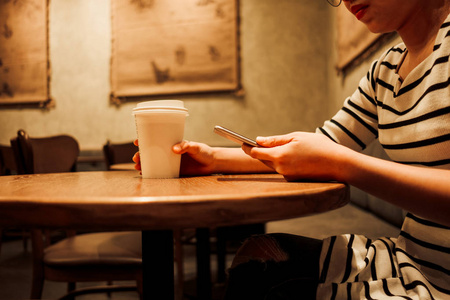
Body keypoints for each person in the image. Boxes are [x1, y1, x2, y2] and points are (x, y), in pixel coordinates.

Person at [134, 0, 450, 298]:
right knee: (256, 257)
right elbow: (326, 142)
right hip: (410, 257)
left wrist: (340, 164)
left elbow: (330, 153)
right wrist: (210, 160)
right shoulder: (386, 70)